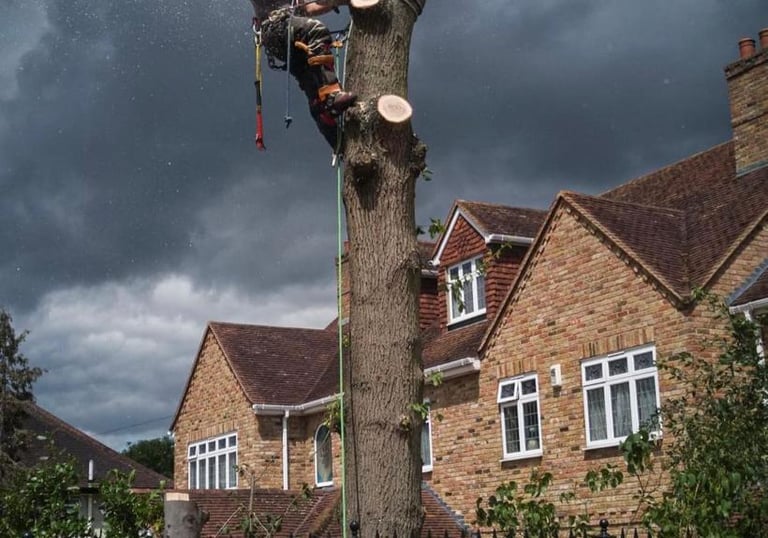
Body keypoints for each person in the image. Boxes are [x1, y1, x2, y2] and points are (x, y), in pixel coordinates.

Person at [250, 0, 357, 149]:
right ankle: (330, 96)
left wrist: (337, 2)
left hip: (289, 36)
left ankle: (333, 132)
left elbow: (309, 7)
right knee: (316, 30)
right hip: (276, 29)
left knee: (310, 76)